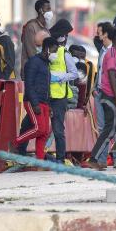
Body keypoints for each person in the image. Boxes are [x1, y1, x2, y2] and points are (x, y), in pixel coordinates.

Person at [87, 28, 116, 170]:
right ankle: (94, 158)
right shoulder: (111, 54)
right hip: (111, 97)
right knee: (109, 130)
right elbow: (111, 75)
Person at [13, 37, 57, 161]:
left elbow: (46, 86)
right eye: (54, 51)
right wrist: (35, 103)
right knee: (39, 128)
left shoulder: (46, 64)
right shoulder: (33, 62)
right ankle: (16, 142)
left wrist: (49, 106)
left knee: (44, 132)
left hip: (44, 101)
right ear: (47, 48)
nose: (55, 54)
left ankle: (40, 159)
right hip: (33, 101)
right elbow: (29, 83)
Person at [48, 19, 78, 163]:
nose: (66, 38)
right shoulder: (47, 51)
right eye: (65, 35)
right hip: (45, 95)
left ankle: (60, 159)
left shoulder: (65, 53)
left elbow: (74, 74)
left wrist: (59, 78)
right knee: (35, 126)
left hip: (59, 97)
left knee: (58, 130)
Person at [92, 22, 114, 165]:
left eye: (99, 31)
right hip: (99, 92)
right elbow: (99, 70)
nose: (97, 34)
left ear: (106, 33)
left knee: (113, 128)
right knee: (101, 128)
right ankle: (101, 160)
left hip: (110, 94)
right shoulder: (102, 51)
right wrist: (94, 87)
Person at [20, 0, 53, 78]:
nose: (50, 12)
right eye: (48, 9)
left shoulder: (45, 28)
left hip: (43, 70)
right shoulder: (31, 26)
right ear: (41, 10)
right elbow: (31, 52)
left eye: (50, 9)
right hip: (32, 71)